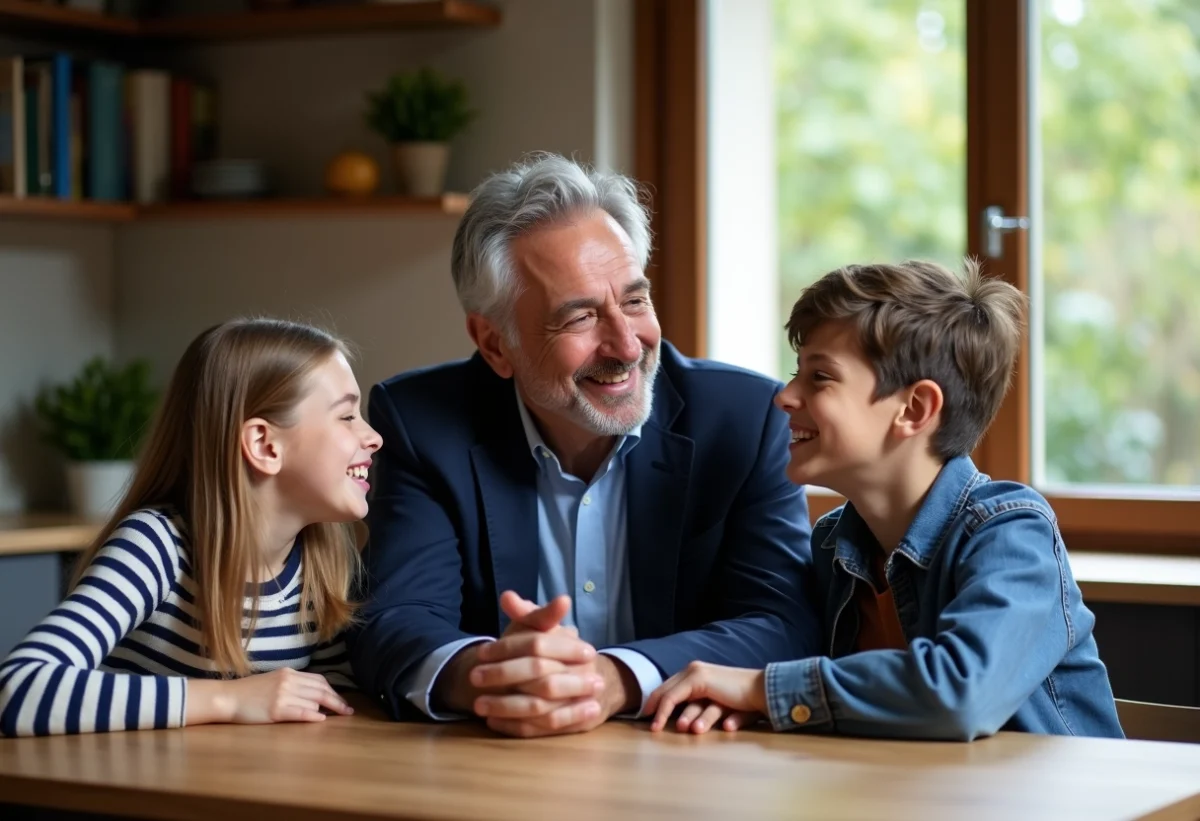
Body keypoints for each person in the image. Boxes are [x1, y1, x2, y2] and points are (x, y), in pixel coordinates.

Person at [350, 153, 819, 738]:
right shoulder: (423, 421)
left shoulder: (745, 420)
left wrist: (610, 678)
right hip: (495, 765)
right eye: (579, 318)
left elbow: (782, 621)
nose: (626, 344)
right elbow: (395, 620)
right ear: (495, 343)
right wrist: (491, 674)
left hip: (686, 763)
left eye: (634, 300)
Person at [646, 259, 1124, 740]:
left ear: (914, 409)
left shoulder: (1011, 533)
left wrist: (764, 691)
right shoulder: (833, 545)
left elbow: (960, 695)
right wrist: (766, 705)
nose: (785, 396)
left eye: (820, 377)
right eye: (797, 373)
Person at [0, 318, 382, 737]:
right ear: (264, 445)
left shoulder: (318, 560)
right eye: (346, 415)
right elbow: (18, 690)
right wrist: (231, 700)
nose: (373, 436)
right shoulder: (156, 547)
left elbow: (330, 699)